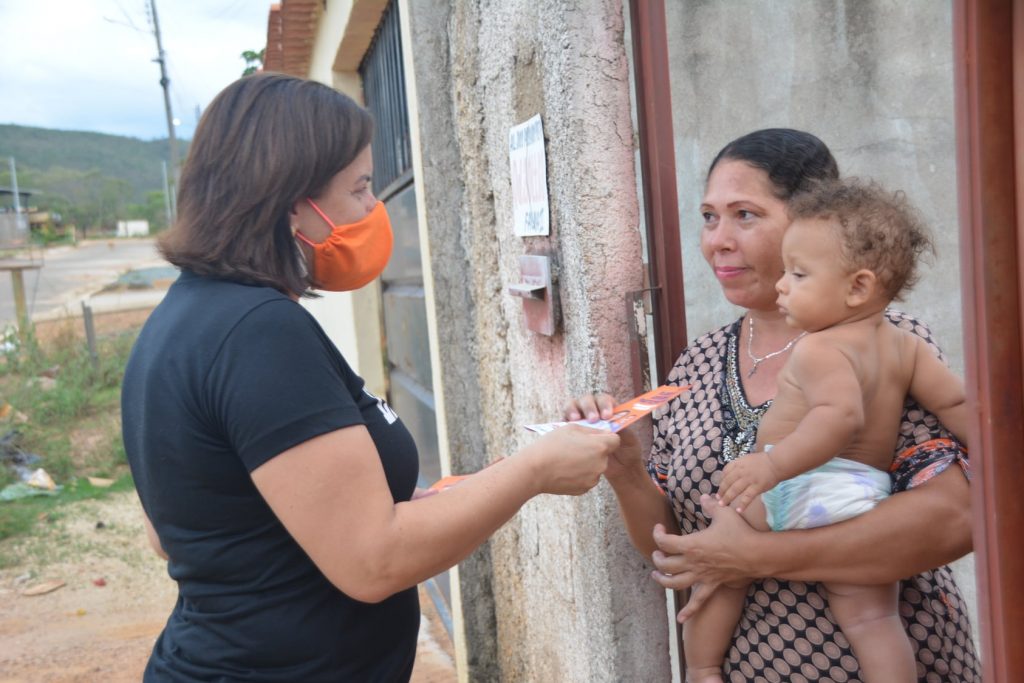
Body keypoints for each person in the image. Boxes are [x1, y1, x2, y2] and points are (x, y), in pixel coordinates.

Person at [121, 72, 620, 682]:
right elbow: (374, 562)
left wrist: (409, 503)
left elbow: (176, 534)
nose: (372, 209)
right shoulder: (259, 332)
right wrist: (536, 469)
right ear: (293, 205)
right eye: (359, 188)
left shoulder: (182, 320)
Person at [567, 129, 979, 681]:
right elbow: (672, 548)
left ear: (815, 223)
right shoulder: (699, 362)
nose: (719, 240)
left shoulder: (887, 339)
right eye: (710, 217)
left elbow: (954, 519)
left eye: (745, 215)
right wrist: (625, 469)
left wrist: (753, 556)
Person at [685, 178, 969, 683]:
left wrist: (770, 464)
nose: (781, 286)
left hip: (796, 486)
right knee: (873, 617)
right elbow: (955, 401)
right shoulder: (904, 345)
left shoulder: (817, 347)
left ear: (857, 286)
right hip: (863, 496)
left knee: (722, 567)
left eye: (798, 274)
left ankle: (703, 668)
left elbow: (838, 418)